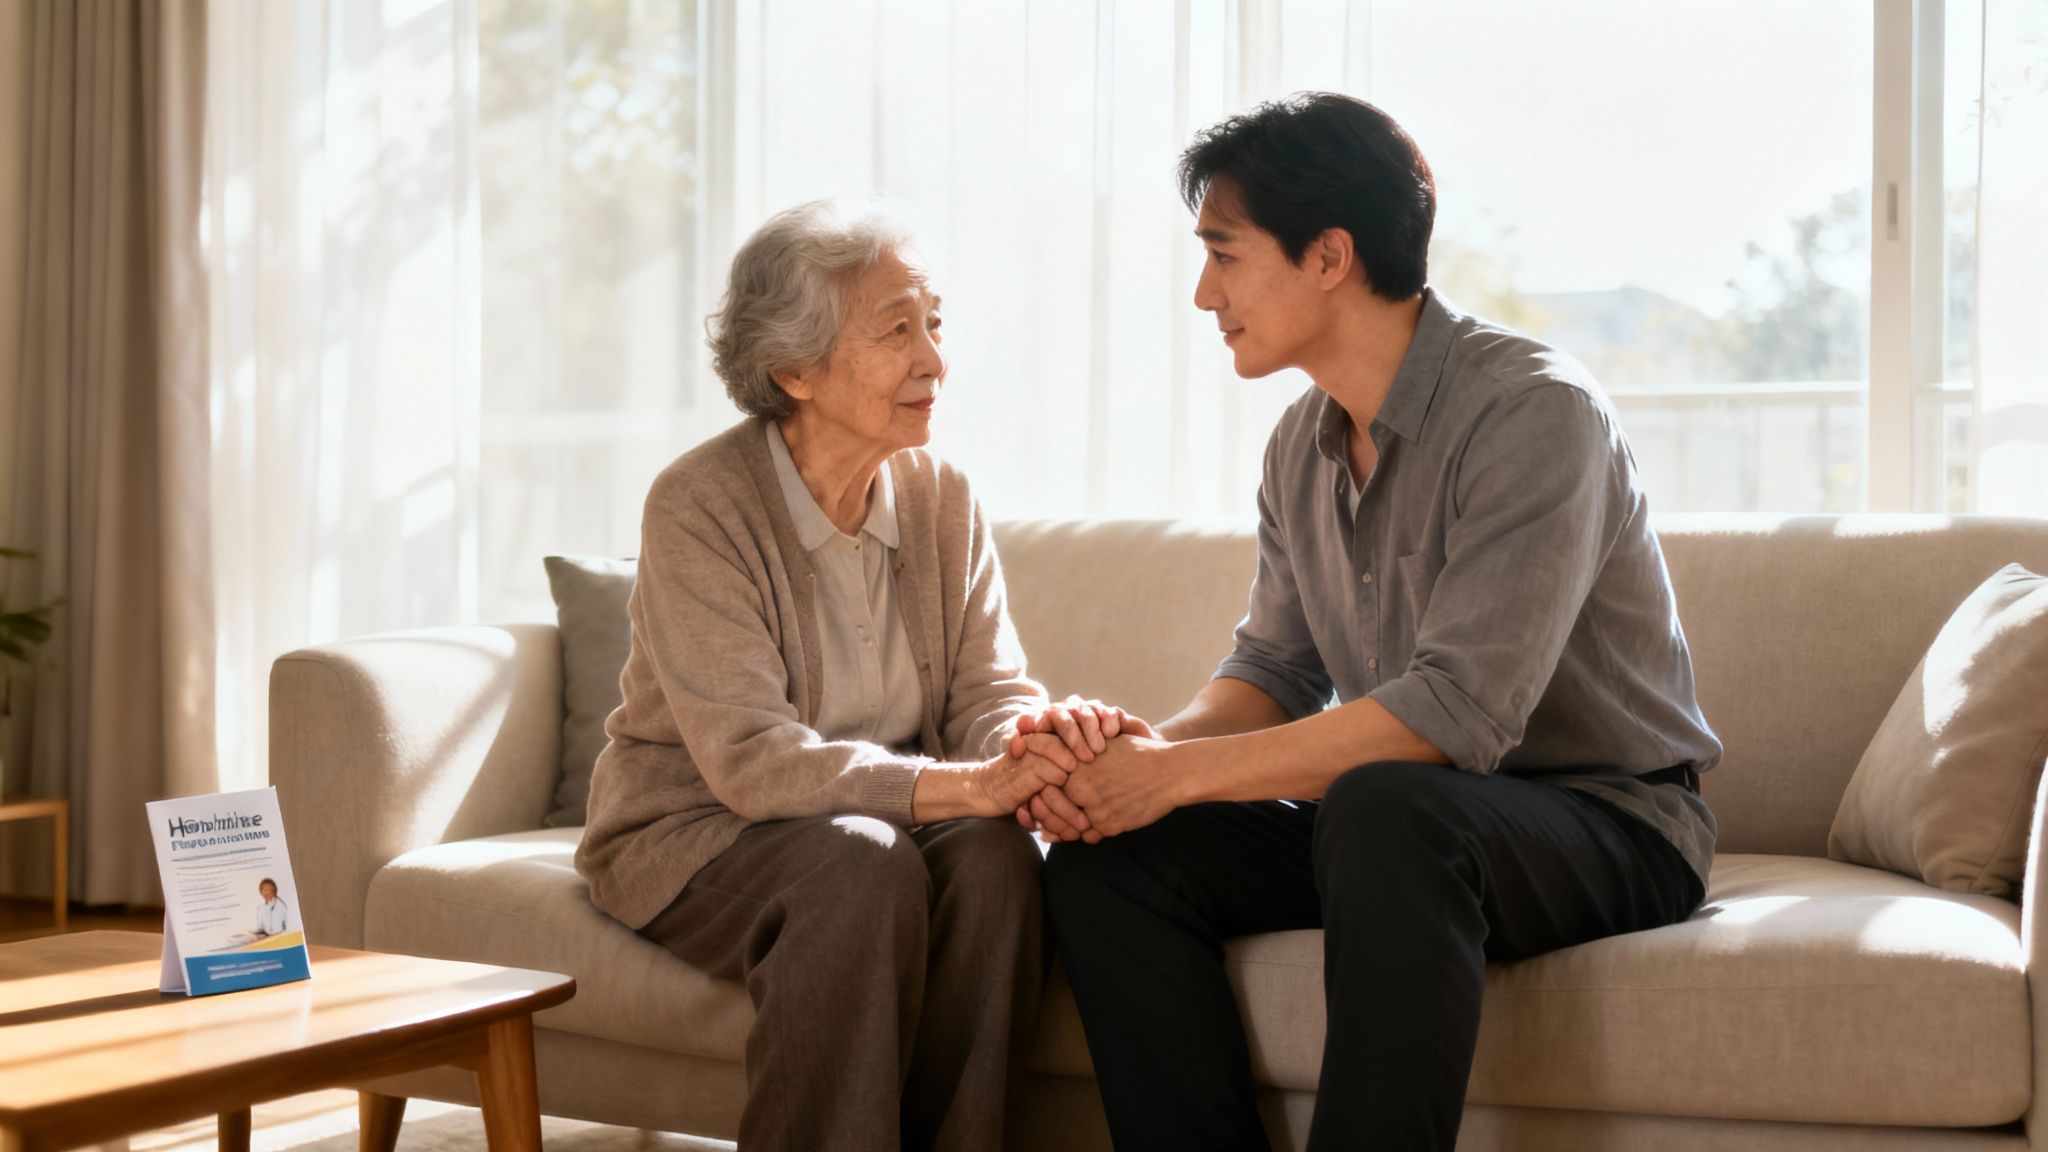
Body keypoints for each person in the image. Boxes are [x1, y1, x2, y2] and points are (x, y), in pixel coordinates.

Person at [1026, 93, 1722, 1151]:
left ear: (1328, 256)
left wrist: (1170, 777)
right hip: (1405, 829)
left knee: (1385, 805)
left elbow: (1453, 715)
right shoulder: (1296, 447)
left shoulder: (1533, 411)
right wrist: (1135, 763)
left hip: (1606, 824)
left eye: (1223, 253)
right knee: (1112, 859)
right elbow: (1272, 669)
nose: (1204, 293)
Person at [574, 200, 1129, 1152]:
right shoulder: (700, 505)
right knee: (858, 865)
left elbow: (987, 692)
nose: (935, 360)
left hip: (877, 828)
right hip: (700, 831)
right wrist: (968, 786)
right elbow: (751, 761)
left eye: (935, 324)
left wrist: (1029, 749)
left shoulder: (942, 497)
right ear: (794, 370)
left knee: (996, 858)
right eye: (896, 330)